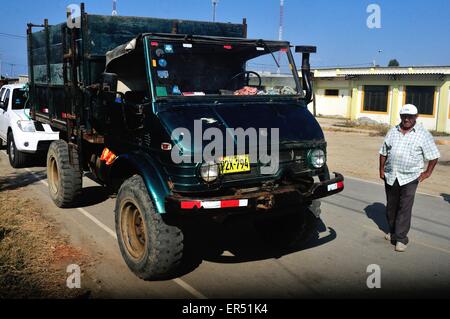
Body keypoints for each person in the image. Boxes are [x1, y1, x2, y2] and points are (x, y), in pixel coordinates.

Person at [379, 104, 440, 252]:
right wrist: (381, 169)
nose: (406, 119)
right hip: (391, 175)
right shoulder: (392, 131)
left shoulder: (423, 134)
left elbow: (434, 156)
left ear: (416, 117)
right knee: (391, 207)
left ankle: (401, 239)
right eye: (404, 116)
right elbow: (383, 151)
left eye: (410, 116)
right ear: (400, 116)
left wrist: (427, 173)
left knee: (404, 208)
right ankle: (393, 231)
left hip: (410, 177)